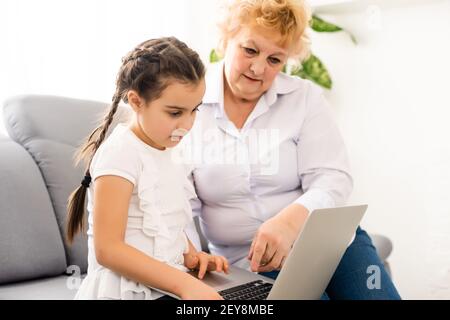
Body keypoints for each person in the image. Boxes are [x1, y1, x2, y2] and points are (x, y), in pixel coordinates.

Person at [182, 0, 401, 299]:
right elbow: (177, 206)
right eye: (250, 50)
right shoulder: (186, 104)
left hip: (334, 244)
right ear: (225, 40)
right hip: (249, 264)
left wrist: (289, 222)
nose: (259, 68)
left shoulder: (304, 98)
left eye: (275, 59)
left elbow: (333, 178)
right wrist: (189, 264)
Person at [66, 37, 229, 300]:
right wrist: (184, 285)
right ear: (136, 101)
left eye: (194, 110)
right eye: (175, 113)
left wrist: (192, 256)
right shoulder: (120, 153)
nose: (187, 125)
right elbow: (108, 250)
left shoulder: (170, 149)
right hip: (123, 290)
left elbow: (162, 222)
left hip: (163, 284)